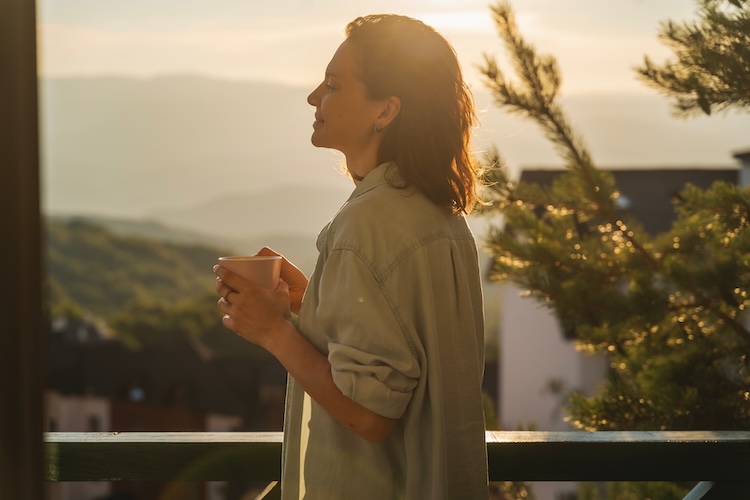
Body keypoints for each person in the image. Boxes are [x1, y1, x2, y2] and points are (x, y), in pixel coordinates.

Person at [214, 14, 488, 499]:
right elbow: (399, 342)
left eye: (334, 85)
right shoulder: (437, 213)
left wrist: (273, 332)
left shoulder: (367, 224)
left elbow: (370, 414)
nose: (314, 97)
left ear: (386, 110)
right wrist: (313, 306)